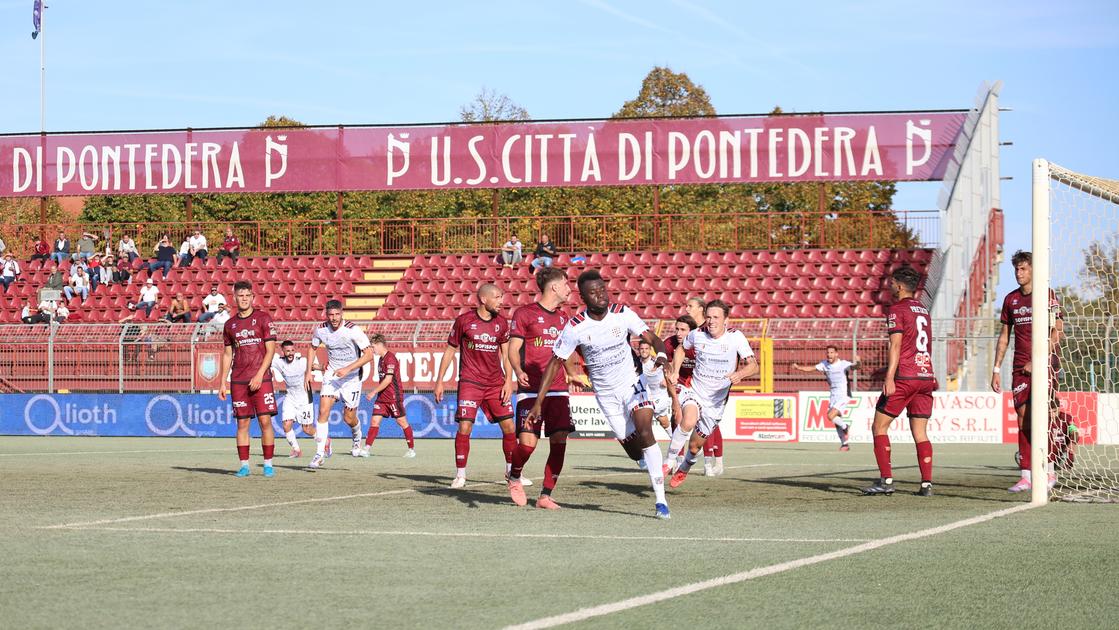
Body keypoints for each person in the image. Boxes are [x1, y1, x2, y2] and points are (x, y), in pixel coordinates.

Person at [525, 269, 673, 519]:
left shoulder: (622, 314)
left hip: (632, 383)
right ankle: (645, 460)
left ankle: (661, 501)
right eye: (593, 293)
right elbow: (554, 362)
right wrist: (538, 400)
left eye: (602, 289)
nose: (601, 296)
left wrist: (661, 357)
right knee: (634, 449)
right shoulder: (575, 327)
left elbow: (652, 337)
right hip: (605, 394)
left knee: (646, 430)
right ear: (583, 297)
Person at [991, 250, 1064, 493]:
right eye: (1016, 269)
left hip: (1045, 365)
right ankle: (1026, 475)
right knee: (1023, 418)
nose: (1018, 273)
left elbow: (1058, 331)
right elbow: (1004, 337)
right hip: (1019, 366)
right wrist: (995, 369)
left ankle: (1050, 471)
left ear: (1034, 270)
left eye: (1023, 269)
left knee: (1045, 417)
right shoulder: (1011, 300)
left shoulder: (1047, 295)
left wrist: (1039, 359)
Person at [665, 300, 758, 488]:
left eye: (716, 317)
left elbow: (753, 365)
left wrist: (739, 374)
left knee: (694, 446)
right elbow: (681, 349)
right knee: (688, 420)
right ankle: (668, 461)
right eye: (708, 317)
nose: (711, 321)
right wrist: (675, 370)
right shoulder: (697, 335)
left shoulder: (736, 337)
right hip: (696, 391)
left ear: (726, 320)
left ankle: (685, 468)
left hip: (716, 402)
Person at [434, 283, 519, 489]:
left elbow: (507, 354)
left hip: (495, 382)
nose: (502, 302)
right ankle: (460, 474)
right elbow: (450, 350)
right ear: (484, 299)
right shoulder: (464, 321)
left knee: (509, 427)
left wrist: (509, 380)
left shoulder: (501, 323)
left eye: (501, 297)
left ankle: (512, 472)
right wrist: (440, 380)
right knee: (465, 426)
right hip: (470, 381)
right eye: (498, 297)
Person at [863, 266, 937, 497]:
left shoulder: (897, 309)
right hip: (925, 376)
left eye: (892, 283)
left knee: (879, 426)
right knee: (920, 432)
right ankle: (926, 484)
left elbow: (895, 345)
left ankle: (886, 481)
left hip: (905, 376)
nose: (890, 286)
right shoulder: (923, 310)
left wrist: (889, 377)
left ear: (900, 286)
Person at [506, 267, 577, 509]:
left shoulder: (564, 318)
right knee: (527, 444)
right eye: (566, 284)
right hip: (531, 389)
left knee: (559, 439)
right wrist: (517, 370)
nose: (569, 289)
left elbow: (566, 352)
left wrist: (573, 374)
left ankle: (545, 495)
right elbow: (512, 349)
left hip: (558, 389)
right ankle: (514, 476)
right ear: (554, 287)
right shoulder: (525, 313)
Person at [304, 300, 375, 468]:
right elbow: (312, 348)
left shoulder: (353, 330)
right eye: (331, 315)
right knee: (323, 411)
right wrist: (308, 371)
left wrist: (347, 368)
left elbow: (369, 355)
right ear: (326, 314)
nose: (334, 318)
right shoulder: (321, 329)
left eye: (337, 314)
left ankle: (357, 436)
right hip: (332, 375)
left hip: (351, 377)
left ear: (342, 313)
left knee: (348, 417)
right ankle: (319, 453)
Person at [219, 280, 278, 477]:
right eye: (240, 296)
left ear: (252, 297)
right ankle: (244, 465)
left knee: (264, 421)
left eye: (247, 295)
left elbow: (271, 350)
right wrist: (222, 382)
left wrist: (260, 375)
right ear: (234, 298)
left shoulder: (263, 318)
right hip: (238, 381)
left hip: (262, 380)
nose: (244, 299)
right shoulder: (229, 325)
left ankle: (268, 464)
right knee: (242, 424)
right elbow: (228, 354)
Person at [683, 297, 727, 474]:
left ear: (701, 309)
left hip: (714, 386)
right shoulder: (694, 332)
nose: (686, 309)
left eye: (690, 306)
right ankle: (679, 459)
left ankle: (715, 462)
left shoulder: (711, 331)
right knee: (691, 420)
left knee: (710, 424)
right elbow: (681, 350)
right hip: (694, 384)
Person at [791, 346, 861, 451]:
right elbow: (811, 368)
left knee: (830, 416)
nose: (829, 355)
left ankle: (846, 426)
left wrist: (859, 362)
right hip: (833, 395)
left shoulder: (843, 364)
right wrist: (798, 367)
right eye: (828, 353)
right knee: (836, 420)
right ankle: (845, 444)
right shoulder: (825, 364)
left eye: (832, 352)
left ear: (837, 354)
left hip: (843, 395)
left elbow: (856, 367)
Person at [360, 335, 417, 458]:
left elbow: (388, 380)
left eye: (373, 346)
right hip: (382, 398)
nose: (372, 349)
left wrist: (373, 391)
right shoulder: (380, 359)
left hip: (393, 396)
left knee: (402, 422)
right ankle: (366, 448)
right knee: (374, 421)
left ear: (380, 345)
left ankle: (411, 449)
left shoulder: (390, 358)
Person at [272, 340, 316, 458]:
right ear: (283, 352)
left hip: (305, 398)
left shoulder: (301, 362)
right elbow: (264, 360)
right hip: (290, 397)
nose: (290, 353)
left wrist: (324, 367)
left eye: (292, 350)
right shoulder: (278, 362)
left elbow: (313, 366)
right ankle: (296, 449)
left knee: (307, 429)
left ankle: (325, 440)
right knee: (286, 425)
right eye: (287, 351)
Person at [639, 338, 674, 433]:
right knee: (664, 422)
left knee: (645, 414)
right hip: (647, 397)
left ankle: (646, 443)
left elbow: (670, 368)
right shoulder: (637, 363)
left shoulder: (657, 362)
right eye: (642, 348)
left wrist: (667, 380)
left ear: (650, 350)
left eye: (646, 348)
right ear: (639, 350)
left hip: (661, 396)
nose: (644, 351)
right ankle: (675, 440)